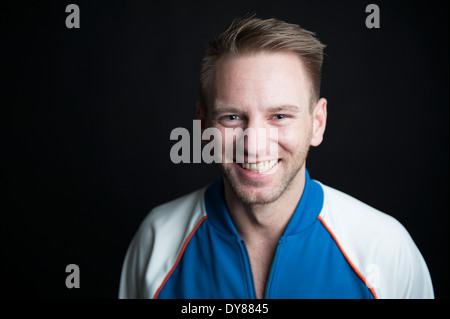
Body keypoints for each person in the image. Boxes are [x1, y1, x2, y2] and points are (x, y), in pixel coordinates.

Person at [119, 16, 434, 299]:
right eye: (231, 117)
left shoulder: (385, 249)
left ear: (317, 123)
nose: (254, 145)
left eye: (280, 116)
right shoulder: (157, 241)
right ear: (203, 127)